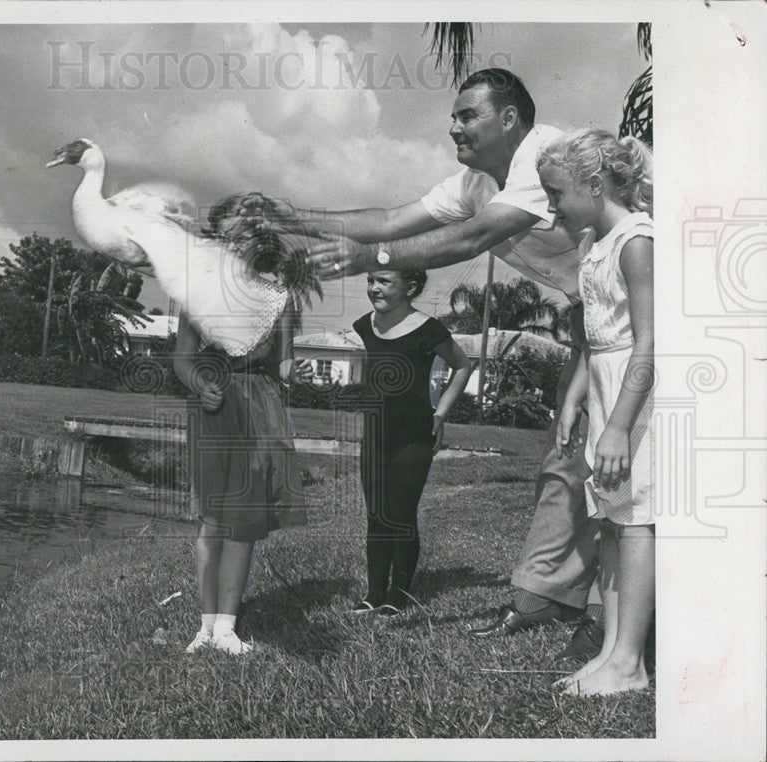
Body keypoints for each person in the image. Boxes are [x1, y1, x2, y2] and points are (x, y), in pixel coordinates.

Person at [243, 68, 604, 661]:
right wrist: (289, 218)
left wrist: (374, 256)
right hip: (588, 316)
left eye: (468, 115)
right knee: (566, 457)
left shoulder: (547, 159)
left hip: (642, 304)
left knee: (617, 466)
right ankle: (548, 594)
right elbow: (387, 220)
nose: (453, 125)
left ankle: (604, 613)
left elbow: (467, 242)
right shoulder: (472, 182)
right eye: (454, 115)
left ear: (509, 119)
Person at [538, 129, 655, 695]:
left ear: (593, 183)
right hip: (607, 388)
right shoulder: (595, 245)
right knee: (610, 518)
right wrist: (573, 396)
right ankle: (610, 650)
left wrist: (618, 425)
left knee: (634, 520)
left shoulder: (636, 240)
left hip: (635, 399)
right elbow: (595, 339)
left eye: (556, 193)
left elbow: (647, 343)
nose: (552, 205)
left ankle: (631, 658)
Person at [173, 194, 315, 655]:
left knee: (244, 521)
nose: (239, 245)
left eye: (249, 235)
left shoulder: (280, 298)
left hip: (261, 409)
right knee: (213, 520)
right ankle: (205, 625)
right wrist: (198, 382)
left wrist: (299, 374)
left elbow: (287, 363)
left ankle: (228, 627)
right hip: (215, 407)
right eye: (231, 237)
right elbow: (183, 359)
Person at [352, 269, 471, 615]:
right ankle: (374, 593)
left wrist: (440, 413)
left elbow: (462, 366)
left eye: (384, 282)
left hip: (415, 435)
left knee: (400, 515)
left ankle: (397, 595)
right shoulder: (365, 325)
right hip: (374, 434)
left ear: (410, 288)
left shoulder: (429, 329)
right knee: (376, 514)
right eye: (371, 279)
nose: (374, 287)